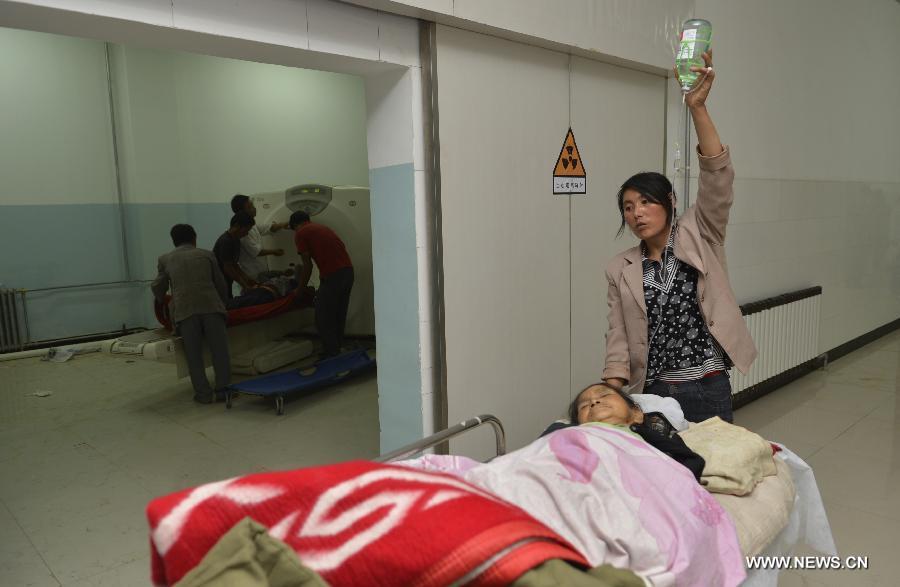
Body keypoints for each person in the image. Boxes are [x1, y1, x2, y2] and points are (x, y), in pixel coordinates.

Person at [601, 50, 756, 423]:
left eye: (646, 202)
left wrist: (697, 108)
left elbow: (718, 177)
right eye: (627, 206)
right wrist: (608, 392)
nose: (636, 212)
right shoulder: (620, 267)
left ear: (669, 202)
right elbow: (618, 334)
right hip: (653, 391)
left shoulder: (701, 232)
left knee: (708, 474)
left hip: (706, 384)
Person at [543, 382, 705, 481]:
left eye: (604, 395)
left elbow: (691, 464)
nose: (594, 401)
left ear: (636, 414)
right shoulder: (567, 435)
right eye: (584, 406)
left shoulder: (655, 438)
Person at [151, 224, 231, 404]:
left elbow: (157, 286)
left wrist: (165, 301)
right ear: (194, 238)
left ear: (173, 241)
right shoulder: (207, 254)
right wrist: (224, 304)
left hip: (185, 311)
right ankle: (223, 392)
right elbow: (221, 284)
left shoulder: (165, 259)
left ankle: (203, 394)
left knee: (193, 355)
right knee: (220, 352)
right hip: (211, 307)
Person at [288, 210, 354, 358]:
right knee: (338, 314)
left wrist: (300, 289)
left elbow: (307, 265)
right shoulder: (323, 228)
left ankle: (331, 353)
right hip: (348, 272)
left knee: (323, 316)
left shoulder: (300, 233)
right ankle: (338, 348)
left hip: (333, 276)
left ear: (295, 225)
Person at [230, 194, 288, 284]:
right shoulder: (242, 232)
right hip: (252, 275)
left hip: (261, 271)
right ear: (242, 212)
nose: (254, 209)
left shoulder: (252, 226)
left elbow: (270, 227)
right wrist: (274, 251)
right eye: (250, 207)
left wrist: (285, 224)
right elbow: (257, 252)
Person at [213, 211, 257, 298]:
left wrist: (247, 278)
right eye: (246, 230)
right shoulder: (226, 241)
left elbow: (234, 264)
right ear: (236, 226)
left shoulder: (236, 240)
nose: (247, 233)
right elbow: (228, 267)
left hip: (227, 280)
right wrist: (244, 285)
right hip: (219, 282)